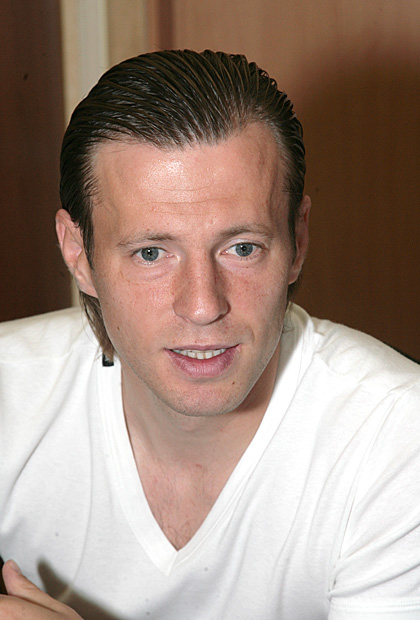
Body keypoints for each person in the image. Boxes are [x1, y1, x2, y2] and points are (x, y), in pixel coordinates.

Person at [0, 49, 419, 620]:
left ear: (297, 242)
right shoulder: (10, 397)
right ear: (78, 254)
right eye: (151, 253)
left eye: (242, 248)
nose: (202, 306)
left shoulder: (394, 437)